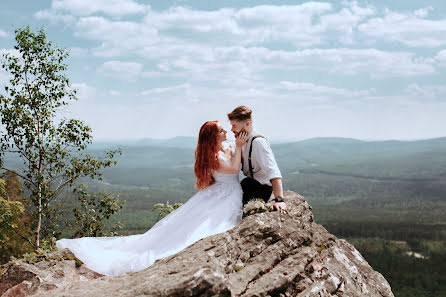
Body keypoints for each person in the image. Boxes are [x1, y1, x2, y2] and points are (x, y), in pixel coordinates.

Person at [56, 121, 248, 276]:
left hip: (223, 191)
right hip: (227, 192)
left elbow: (244, 142)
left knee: (198, 222)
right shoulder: (211, 155)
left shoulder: (225, 147)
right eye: (222, 130)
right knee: (202, 227)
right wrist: (238, 148)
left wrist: (243, 140)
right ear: (213, 137)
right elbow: (233, 170)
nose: (226, 132)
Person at [227, 106, 287, 212]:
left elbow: (273, 170)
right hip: (249, 184)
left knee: (232, 209)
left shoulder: (258, 142)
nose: (232, 130)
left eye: (234, 126)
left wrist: (279, 200)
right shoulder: (241, 140)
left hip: (261, 189)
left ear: (247, 123)